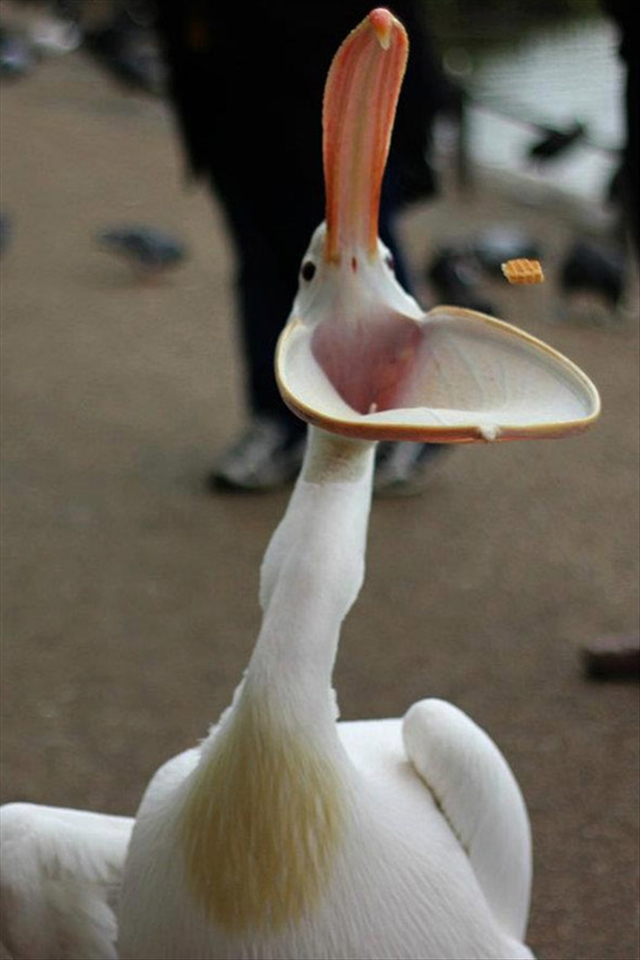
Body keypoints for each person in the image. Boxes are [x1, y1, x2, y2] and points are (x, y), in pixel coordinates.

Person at [154, 1, 453, 493]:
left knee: (366, 270)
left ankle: (412, 423)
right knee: (265, 270)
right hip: (233, 109)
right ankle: (283, 418)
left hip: (335, 113)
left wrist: (402, 124)